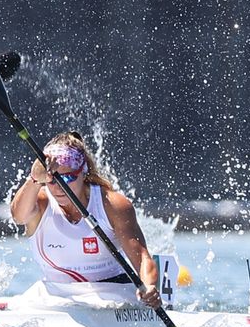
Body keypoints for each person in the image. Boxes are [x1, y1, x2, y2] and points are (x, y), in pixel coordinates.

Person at [8, 131, 161, 308]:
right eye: (51, 179)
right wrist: (33, 178)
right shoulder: (40, 202)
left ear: (84, 172)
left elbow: (142, 258)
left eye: (67, 177)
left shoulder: (112, 204)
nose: (59, 187)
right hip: (54, 295)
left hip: (113, 293)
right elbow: (18, 217)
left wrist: (149, 287)